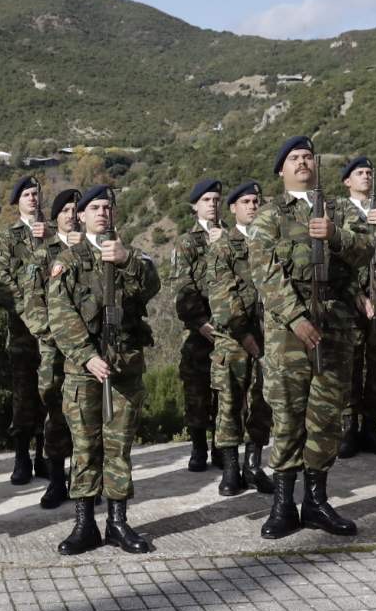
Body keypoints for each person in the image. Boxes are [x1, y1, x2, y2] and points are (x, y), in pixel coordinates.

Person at [249, 137, 373, 539]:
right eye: (294, 158)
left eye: (307, 157)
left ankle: (317, 502)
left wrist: (335, 235)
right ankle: (283, 504)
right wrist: (295, 317)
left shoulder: (338, 210)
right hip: (287, 335)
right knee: (287, 416)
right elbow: (265, 272)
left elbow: (365, 250)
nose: (302, 162)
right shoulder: (270, 215)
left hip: (334, 327)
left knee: (325, 416)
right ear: (281, 170)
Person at [46, 185, 160, 555]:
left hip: (124, 368)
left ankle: (117, 522)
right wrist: (86, 355)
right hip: (85, 372)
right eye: (94, 207)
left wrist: (126, 259)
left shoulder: (130, 256)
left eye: (107, 207)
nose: (102, 213)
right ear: (80, 215)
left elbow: (151, 285)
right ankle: (84, 525)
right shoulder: (68, 260)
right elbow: (59, 314)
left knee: (119, 447)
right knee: (84, 448)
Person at [204, 180, 275, 496]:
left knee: (262, 401)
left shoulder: (270, 242)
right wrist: (246, 337)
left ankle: (254, 465)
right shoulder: (223, 247)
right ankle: (231, 469)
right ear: (233, 208)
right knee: (230, 402)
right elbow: (223, 297)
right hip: (233, 339)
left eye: (256, 201)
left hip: (269, 334)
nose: (252, 206)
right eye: (245, 202)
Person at [0, 176, 49, 485]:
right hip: (24, 332)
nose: (33, 198)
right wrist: (30, 312)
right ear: (17, 202)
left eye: (36, 193)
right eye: (27, 195)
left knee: (50, 393)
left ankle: (45, 456)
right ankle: (22, 457)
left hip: (55, 331)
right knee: (24, 395)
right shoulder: (7, 238)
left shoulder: (55, 233)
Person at [24, 187, 82, 509]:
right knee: (56, 414)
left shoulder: (92, 251)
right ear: (56, 217)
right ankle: (57, 481)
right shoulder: (43, 255)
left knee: (88, 417)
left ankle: (85, 481)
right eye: (66, 211)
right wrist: (53, 337)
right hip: (56, 349)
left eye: (76, 210)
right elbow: (33, 304)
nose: (72, 216)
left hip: (88, 350)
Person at [333, 156, 376, 458]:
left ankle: (371, 426)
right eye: (359, 173)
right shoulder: (338, 211)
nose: (366, 177)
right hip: (351, 300)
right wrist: (356, 291)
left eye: (369, 172)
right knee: (351, 364)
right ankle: (348, 427)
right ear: (347, 181)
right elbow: (338, 258)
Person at [167, 179, 222, 472]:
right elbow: (182, 285)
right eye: (206, 200)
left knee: (226, 392)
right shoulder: (188, 242)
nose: (212, 204)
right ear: (195, 206)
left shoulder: (230, 236)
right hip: (199, 330)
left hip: (229, 327)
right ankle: (199, 447)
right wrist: (200, 323)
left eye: (216, 199)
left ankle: (222, 446)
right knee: (197, 390)